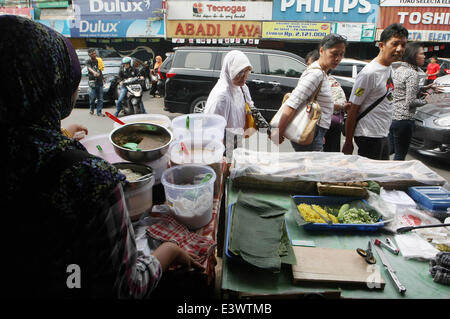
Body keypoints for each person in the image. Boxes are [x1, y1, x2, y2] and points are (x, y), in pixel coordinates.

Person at [0, 15, 202, 299]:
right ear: (52, 83)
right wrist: (167, 252)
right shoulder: (90, 180)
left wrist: (58, 136)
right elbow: (125, 289)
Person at [342, 23, 408, 160]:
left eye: (403, 45)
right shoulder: (369, 73)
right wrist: (348, 142)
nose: (400, 49)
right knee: (371, 178)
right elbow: (353, 109)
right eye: (395, 44)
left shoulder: (389, 68)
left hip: (382, 133)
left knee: (380, 176)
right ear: (382, 45)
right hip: (368, 135)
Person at [272, 34, 347, 152]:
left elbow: (322, 104)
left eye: (341, 54)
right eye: (334, 53)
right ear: (322, 50)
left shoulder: (322, 73)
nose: (338, 58)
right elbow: (292, 103)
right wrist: (278, 132)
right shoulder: (315, 74)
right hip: (310, 130)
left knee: (308, 168)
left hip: (315, 132)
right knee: (309, 168)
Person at [204, 50, 269, 136]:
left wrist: (269, 131)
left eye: (247, 71)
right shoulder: (222, 96)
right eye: (240, 72)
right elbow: (212, 130)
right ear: (229, 70)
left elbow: (252, 109)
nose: (244, 76)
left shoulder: (242, 88)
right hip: (224, 142)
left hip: (237, 137)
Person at [389, 42, 429, 160]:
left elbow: (401, 90)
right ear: (413, 55)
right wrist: (426, 100)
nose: (424, 56)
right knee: (400, 155)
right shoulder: (412, 73)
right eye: (421, 54)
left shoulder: (399, 69)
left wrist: (421, 88)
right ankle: (394, 177)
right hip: (404, 120)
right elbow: (410, 101)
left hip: (393, 117)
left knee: (389, 150)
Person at [305, 49, 347, 152]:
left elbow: (335, 104)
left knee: (325, 157)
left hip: (327, 125)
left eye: (309, 64)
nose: (308, 68)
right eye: (307, 64)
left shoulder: (328, 81)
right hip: (317, 126)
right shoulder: (312, 79)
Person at [86, 48, 105, 117]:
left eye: (95, 53)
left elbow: (100, 70)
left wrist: (103, 78)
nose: (94, 54)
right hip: (92, 81)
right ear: (89, 55)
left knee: (100, 98)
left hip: (99, 81)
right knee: (93, 97)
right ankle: (91, 109)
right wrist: (94, 72)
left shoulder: (98, 60)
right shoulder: (88, 61)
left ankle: (99, 112)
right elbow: (89, 68)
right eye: (92, 54)